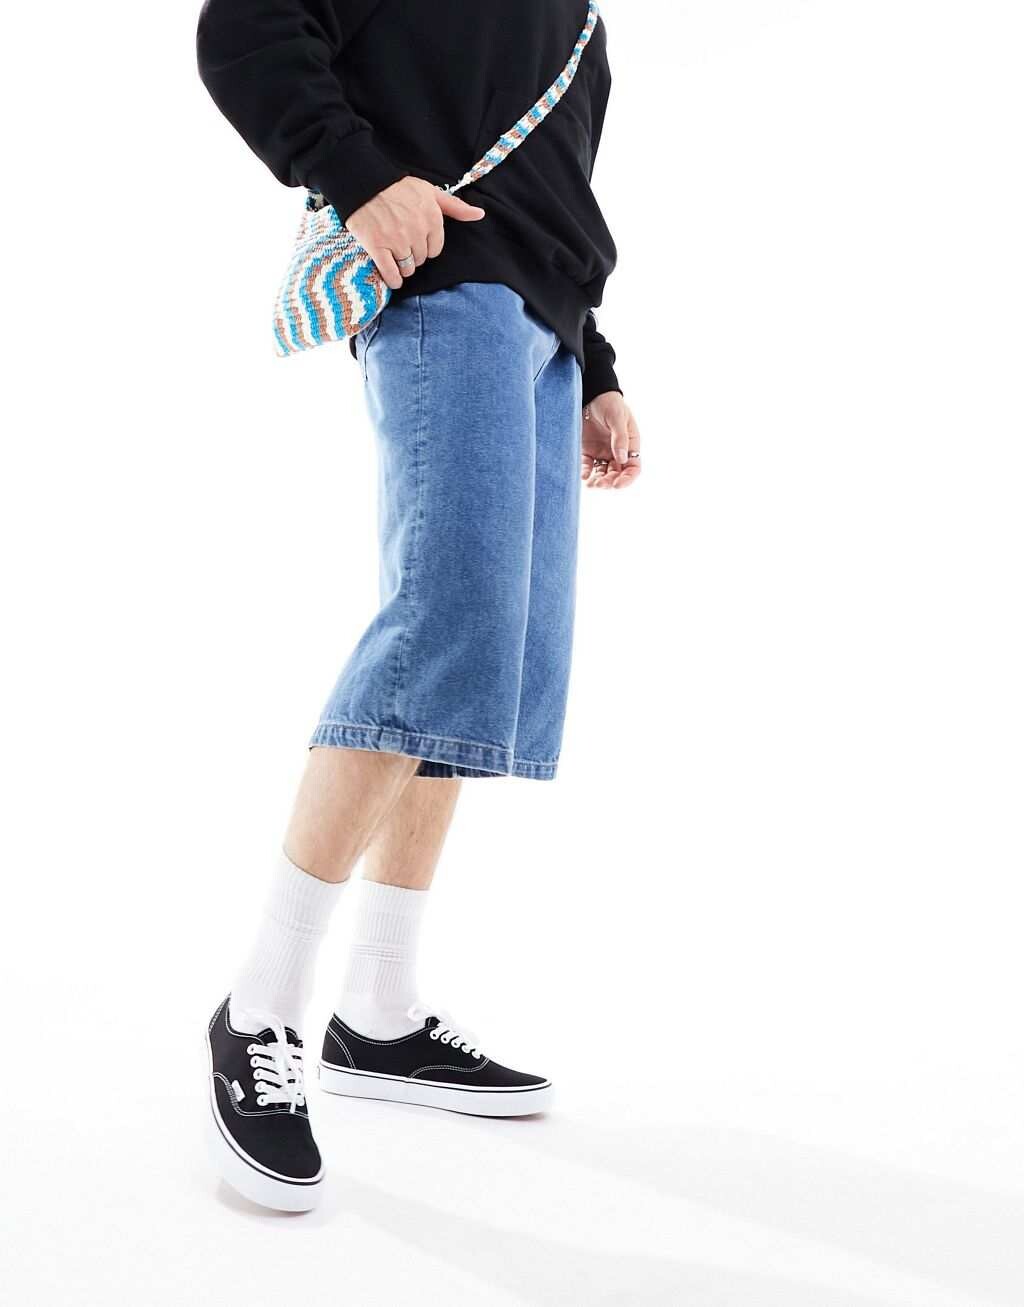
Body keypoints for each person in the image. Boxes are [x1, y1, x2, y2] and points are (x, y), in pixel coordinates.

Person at [196, 0, 642, 1211]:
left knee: (483, 666)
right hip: (447, 295)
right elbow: (243, 29)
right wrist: (358, 179)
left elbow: (556, 190)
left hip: (546, 331)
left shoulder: (582, 23)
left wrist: (596, 367)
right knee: (443, 626)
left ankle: (379, 1010)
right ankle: (261, 1003)